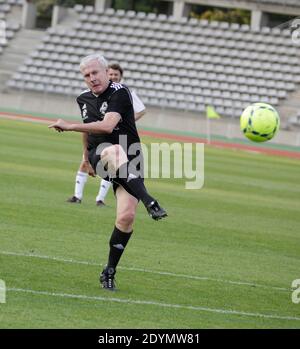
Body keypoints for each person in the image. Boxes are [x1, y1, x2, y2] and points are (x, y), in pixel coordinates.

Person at [49, 53, 167, 291]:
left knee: (126, 218)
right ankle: (150, 201)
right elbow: (89, 131)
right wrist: (85, 157)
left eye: (95, 73)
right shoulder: (83, 99)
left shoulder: (120, 92)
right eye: (86, 75)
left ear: (106, 72)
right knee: (112, 150)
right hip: (101, 154)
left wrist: (69, 126)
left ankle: (109, 271)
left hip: (130, 156)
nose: (92, 78)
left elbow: (107, 125)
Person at [67, 63, 146, 206]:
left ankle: (100, 198)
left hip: (117, 138)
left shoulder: (125, 92)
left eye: (116, 75)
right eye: (111, 74)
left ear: (121, 77)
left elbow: (141, 110)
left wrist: (124, 120)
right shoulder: (94, 94)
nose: (113, 77)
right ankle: (77, 196)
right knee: (85, 162)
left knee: (113, 166)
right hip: (97, 137)